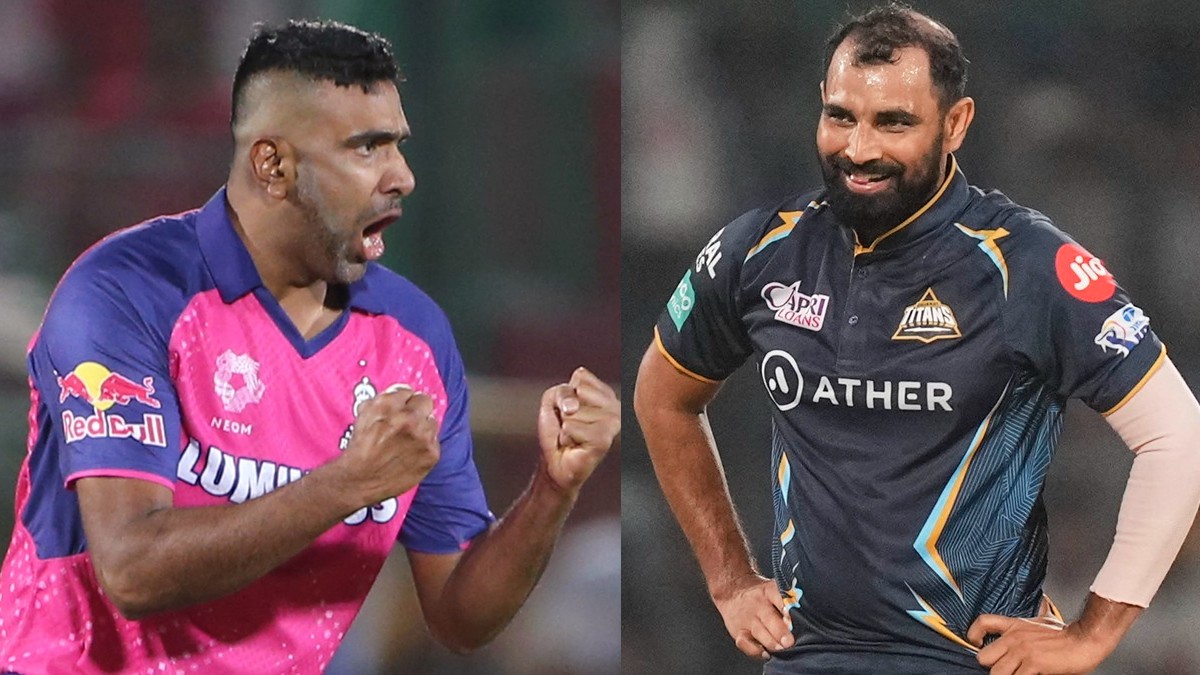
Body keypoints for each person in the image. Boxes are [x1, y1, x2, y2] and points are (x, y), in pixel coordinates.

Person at [0, 19, 619, 673]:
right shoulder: (126, 293)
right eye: (366, 149)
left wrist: (550, 491)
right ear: (273, 165)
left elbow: (460, 616)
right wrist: (347, 482)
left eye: (398, 146)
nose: (402, 176)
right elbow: (131, 569)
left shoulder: (413, 338)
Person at [633, 5, 1200, 674]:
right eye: (841, 116)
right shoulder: (760, 249)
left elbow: (1179, 436)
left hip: (969, 661)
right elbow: (662, 396)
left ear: (955, 123)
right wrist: (730, 579)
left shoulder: (1025, 264)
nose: (859, 149)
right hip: (804, 659)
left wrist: (1093, 631)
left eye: (893, 122)